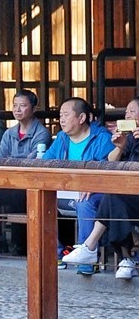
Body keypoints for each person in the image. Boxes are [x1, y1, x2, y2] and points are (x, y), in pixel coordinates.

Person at [61, 96, 139, 278]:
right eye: (126, 112)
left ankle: (97, 249)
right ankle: (123, 259)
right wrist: (119, 147)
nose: (127, 115)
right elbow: (110, 163)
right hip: (129, 195)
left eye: (132, 112)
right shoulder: (131, 139)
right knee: (113, 197)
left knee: (112, 197)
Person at [42, 97, 113, 272]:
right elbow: (45, 162)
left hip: (95, 193)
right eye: (60, 115)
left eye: (66, 115)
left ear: (82, 118)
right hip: (66, 192)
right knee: (40, 200)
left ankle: (87, 259)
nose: (62, 120)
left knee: (84, 202)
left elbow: (109, 171)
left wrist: (92, 184)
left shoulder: (102, 138)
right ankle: (57, 254)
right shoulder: (61, 138)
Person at [0, 89, 52, 254]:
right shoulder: (9, 133)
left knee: (19, 195)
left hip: (31, 182)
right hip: (9, 181)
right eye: (15, 105)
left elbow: (32, 161)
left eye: (23, 106)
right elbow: (0, 160)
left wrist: (12, 161)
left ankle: (20, 245)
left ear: (33, 109)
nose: (17, 110)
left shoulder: (42, 134)